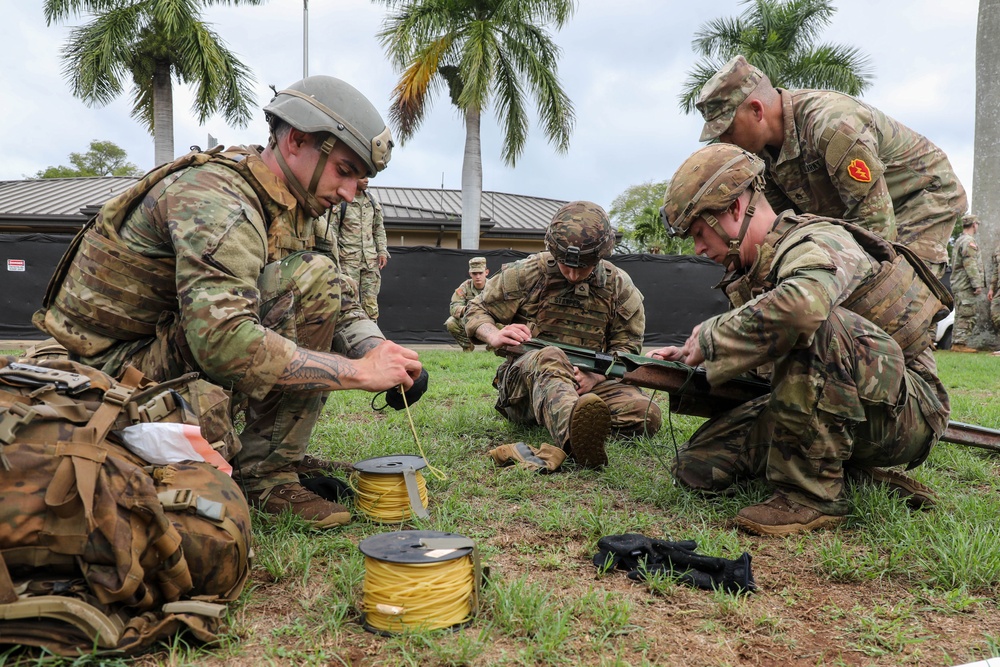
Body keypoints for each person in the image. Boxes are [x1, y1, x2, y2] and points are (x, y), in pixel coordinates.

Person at [33, 75, 422, 529]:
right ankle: (266, 475)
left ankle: (271, 462)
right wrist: (357, 372)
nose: (350, 193)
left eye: (360, 179)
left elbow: (338, 296)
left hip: (155, 351)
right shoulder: (219, 197)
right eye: (345, 170)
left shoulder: (298, 207)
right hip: (98, 372)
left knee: (316, 278)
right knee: (305, 282)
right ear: (296, 140)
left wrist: (378, 351)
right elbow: (223, 341)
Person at [652, 143, 950, 536]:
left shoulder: (818, 241)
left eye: (700, 233)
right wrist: (698, 360)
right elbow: (775, 366)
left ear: (734, 210)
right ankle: (853, 474)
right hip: (847, 404)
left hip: (905, 413)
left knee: (813, 319)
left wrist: (713, 336)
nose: (699, 248)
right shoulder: (758, 270)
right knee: (696, 467)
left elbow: (802, 310)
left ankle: (812, 496)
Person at [696, 55, 967, 281]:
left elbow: (876, 227)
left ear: (756, 111)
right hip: (860, 212)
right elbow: (782, 227)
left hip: (921, 198)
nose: (723, 141)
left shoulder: (833, 126)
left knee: (897, 296)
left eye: (728, 129)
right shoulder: (763, 156)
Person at [464, 201, 662, 471]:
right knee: (551, 356)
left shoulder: (618, 286)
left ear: (600, 256)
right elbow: (476, 309)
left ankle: (576, 419)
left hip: (589, 381)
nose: (572, 273)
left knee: (645, 414)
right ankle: (576, 440)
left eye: (583, 267)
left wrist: (596, 376)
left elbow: (627, 346)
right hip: (527, 385)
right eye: (565, 265)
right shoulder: (528, 272)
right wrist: (494, 334)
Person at [330, 176, 389, 320]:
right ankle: (352, 339)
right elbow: (332, 233)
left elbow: (378, 229)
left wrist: (382, 251)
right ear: (353, 178)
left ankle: (372, 339)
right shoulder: (343, 202)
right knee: (349, 303)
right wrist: (334, 259)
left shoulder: (372, 201)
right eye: (363, 177)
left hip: (370, 261)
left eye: (368, 177)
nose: (367, 180)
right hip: (348, 261)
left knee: (371, 305)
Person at [950, 214, 985, 353]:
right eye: (977, 224)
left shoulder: (959, 240)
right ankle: (959, 344)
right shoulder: (969, 241)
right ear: (974, 224)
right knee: (967, 313)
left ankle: (957, 343)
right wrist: (977, 284)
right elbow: (970, 263)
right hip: (965, 284)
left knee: (961, 313)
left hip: (959, 283)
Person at [444, 256, 490, 351]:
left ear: (486, 272)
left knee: (504, 324)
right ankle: (467, 347)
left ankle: (493, 348)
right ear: (470, 274)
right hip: (470, 319)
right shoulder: (464, 287)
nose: (477, 276)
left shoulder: (493, 286)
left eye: (480, 273)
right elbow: (454, 307)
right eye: (474, 273)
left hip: (489, 319)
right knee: (451, 323)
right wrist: (467, 309)